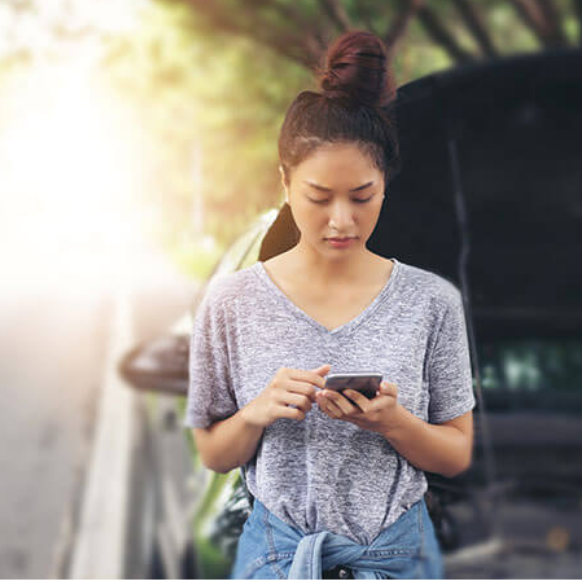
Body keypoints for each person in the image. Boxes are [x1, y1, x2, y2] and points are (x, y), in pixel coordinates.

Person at [183, 29, 476, 579]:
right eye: (319, 197)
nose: (341, 220)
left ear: (384, 185)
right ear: (286, 184)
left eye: (362, 197)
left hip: (399, 561)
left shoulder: (432, 302)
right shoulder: (232, 302)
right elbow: (214, 454)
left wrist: (394, 423)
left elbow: (457, 454)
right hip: (276, 560)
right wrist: (257, 413)